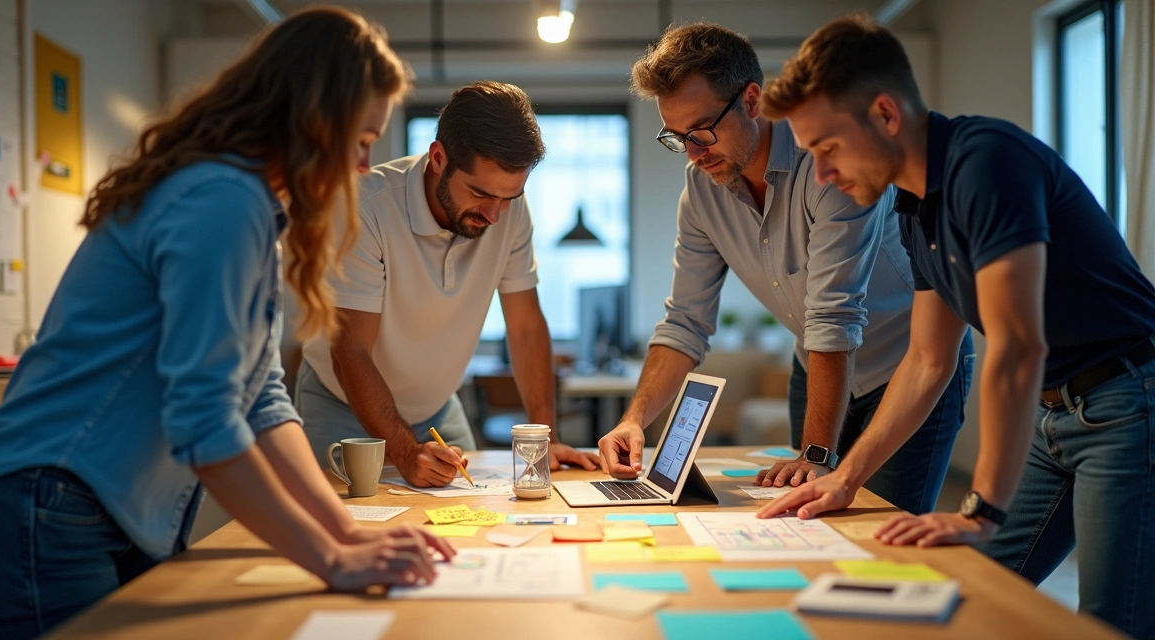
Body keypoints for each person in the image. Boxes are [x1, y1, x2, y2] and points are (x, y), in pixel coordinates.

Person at [0, 9, 454, 639]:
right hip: (42, 504)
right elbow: (205, 420)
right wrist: (331, 559)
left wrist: (347, 529)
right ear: (314, 120)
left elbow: (263, 400)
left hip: (87, 507)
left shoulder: (249, 208)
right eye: (361, 142)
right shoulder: (220, 201)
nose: (361, 168)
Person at [756, 14, 1155, 639]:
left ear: (885, 115)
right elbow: (927, 361)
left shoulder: (986, 163)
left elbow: (1019, 344)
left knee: (1110, 623)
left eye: (829, 149)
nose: (823, 173)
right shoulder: (915, 208)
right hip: (1057, 417)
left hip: (1129, 401)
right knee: (962, 591)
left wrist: (982, 508)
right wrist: (845, 478)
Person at [595, 22, 972, 516]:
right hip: (815, 366)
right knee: (805, 519)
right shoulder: (702, 192)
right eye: (678, 137)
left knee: (882, 532)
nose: (693, 152)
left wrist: (816, 453)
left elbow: (833, 315)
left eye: (703, 130)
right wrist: (635, 420)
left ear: (751, 100)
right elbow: (685, 321)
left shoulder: (827, 162)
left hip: (909, 367)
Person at [297, 81, 599, 488]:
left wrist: (546, 438)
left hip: (437, 410)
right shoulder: (365, 209)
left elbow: (526, 327)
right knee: (341, 533)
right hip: (342, 404)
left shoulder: (507, 210)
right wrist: (404, 452)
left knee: (470, 522)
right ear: (439, 157)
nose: (495, 215)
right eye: (479, 193)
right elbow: (350, 349)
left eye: (509, 197)